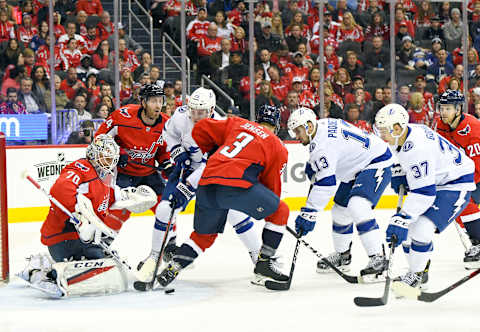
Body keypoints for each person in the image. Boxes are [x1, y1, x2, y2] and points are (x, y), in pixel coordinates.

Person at [157, 104, 290, 289]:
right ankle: (264, 263)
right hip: (236, 185)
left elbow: (201, 129)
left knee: (204, 235)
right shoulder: (278, 146)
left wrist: (210, 149)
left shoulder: (238, 123)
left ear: (256, 119)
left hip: (207, 182)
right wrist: (270, 214)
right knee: (281, 210)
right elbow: (272, 188)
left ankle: (174, 266)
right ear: (277, 126)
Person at [137, 87, 264, 282]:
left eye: (201, 112)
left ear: (212, 109)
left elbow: (211, 165)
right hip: (187, 169)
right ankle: (154, 256)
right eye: (193, 111)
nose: (196, 116)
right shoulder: (180, 116)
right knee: (164, 209)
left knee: (235, 213)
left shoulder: (222, 127)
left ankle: (260, 259)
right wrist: (176, 150)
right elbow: (168, 133)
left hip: (215, 173)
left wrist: (187, 186)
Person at [17, 135, 157, 297]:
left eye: (112, 158)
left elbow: (109, 198)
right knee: (102, 268)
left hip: (78, 240)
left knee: (106, 261)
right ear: (94, 154)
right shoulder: (81, 168)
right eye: (106, 158)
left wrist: (130, 197)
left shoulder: (103, 178)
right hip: (63, 238)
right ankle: (47, 274)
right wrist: (78, 216)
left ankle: (42, 266)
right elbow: (60, 190)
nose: (110, 162)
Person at [373, 103, 474, 293]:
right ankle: (419, 272)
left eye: (384, 130)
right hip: (438, 179)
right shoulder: (406, 133)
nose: (381, 135)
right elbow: (402, 157)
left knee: (420, 229)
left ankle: (416, 275)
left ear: (397, 128)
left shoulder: (417, 149)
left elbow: (424, 193)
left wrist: (403, 217)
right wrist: (399, 172)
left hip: (456, 183)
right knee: (407, 230)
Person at [288, 107, 392, 281]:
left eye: (298, 131)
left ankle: (378, 259)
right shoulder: (319, 126)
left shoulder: (322, 146)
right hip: (357, 165)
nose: (296, 137)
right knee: (340, 211)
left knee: (357, 205)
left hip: (376, 162)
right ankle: (343, 255)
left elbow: (326, 184)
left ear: (308, 126)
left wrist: (309, 214)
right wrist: (313, 165)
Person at [95, 84, 171, 231]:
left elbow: (164, 150)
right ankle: (104, 242)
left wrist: (166, 163)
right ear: (143, 102)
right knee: (120, 209)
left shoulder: (167, 124)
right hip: (124, 173)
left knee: (166, 206)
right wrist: (117, 152)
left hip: (149, 174)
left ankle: (169, 244)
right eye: (153, 101)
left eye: (160, 101)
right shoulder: (123, 116)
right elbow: (100, 138)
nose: (158, 105)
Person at [435, 90, 480, 269]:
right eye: (442, 108)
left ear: (459, 109)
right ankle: (477, 241)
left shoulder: (473, 128)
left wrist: (458, 182)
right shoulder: (440, 125)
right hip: (465, 174)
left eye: (447, 108)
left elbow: (477, 165)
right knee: (457, 205)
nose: (443, 112)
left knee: (464, 201)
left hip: (477, 173)